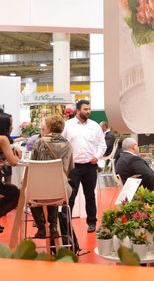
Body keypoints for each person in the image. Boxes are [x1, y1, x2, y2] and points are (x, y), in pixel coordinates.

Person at [63, 99, 105, 233]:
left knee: (90, 195)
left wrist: (97, 156)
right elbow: (62, 144)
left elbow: (102, 144)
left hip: (90, 166)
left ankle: (92, 222)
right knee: (70, 195)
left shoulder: (94, 126)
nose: (88, 111)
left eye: (89, 109)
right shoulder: (67, 125)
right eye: (85, 109)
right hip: (73, 167)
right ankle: (66, 223)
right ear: (78, 110)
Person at [30, 115, 74, 239]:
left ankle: (41, 228)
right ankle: (53, 227)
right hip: (60, 191)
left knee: (30, 192)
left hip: (39, 191)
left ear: (48, 127)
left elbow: (32, 164)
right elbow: (70, 168)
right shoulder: (68, 145)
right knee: (54, 190)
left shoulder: (39, 142)